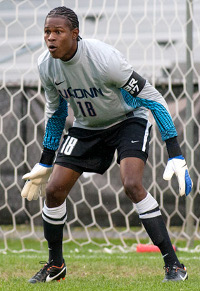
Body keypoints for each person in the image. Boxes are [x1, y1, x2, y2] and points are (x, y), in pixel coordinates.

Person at [21, 6, 192, 284]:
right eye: (46, 32)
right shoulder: (45, 65)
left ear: (75, 34)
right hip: (87, 127)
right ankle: (55, 266)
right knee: (53, 190)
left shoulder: (104, 59)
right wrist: (45, 161)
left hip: (128, 120)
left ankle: (174, 265)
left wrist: (174, 152)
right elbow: (56, 114)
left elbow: (153, 98)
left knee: (132, 184)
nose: (50, 38)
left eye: (58, 32)